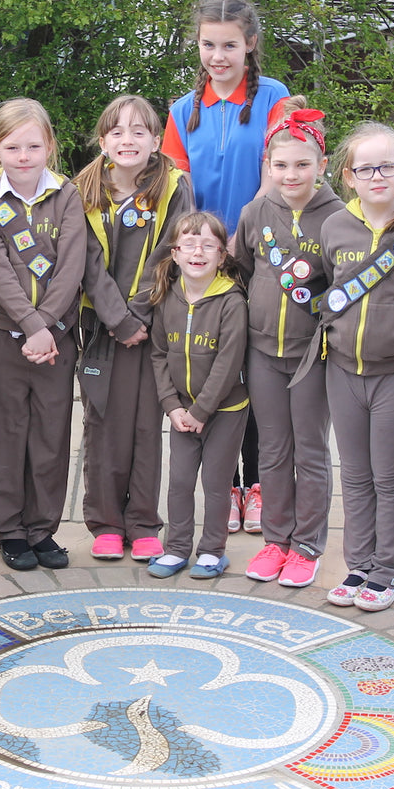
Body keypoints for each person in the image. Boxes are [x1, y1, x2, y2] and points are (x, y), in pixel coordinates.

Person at [162, 0, 292, 536]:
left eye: (230, 45)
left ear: (251, 44)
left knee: (255, 369)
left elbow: (276, 171)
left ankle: (256, 484)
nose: (219, 56)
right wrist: (201, 247)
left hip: (257, 248)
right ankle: (226, 482)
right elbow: (176, 183)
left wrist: (239, 234)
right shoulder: (180, 110)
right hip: (203, 257)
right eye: (209, 44)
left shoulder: (275, 98)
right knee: (214, 367)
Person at [309, 122, 394, 612]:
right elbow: (328, 285)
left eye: (388, 165)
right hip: (343, 368)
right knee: (355, 473)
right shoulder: (335, 227)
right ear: (348, 176)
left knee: (390, 473)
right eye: (366, 168)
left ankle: (389, 570)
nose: (378, 176)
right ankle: (358, 563)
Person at [74, 94, 193, 563]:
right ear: (103, 140)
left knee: (147, 425)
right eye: (118, 131)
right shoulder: (83, 188)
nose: (128, 139)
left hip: (153, 325)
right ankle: (105, 522)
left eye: (140, 130)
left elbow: (173, 250)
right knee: (103, 425)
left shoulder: (174, 186)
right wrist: (117, 319)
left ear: (155, 139)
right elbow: (84, 261)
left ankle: (143, 522)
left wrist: (139, 315)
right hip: (102, 327)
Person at [232, 98, 344, 589]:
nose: (291, 174)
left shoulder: (340, 217)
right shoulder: (256, 211)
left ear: (322, 165)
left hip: (312, 355)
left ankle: (307, 546)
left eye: (302, 164)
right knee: (273, 450)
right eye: (280, 165)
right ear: (268, 166)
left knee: (311, 451)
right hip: (262, 352)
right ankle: (276, 540)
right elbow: (238, 272)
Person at [0, 98, 87, 571]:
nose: (24, 155)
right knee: (2, 434)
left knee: (49, 433)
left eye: (34, 146)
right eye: (14, 146)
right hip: (4, 334)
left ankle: (42, 528)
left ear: (50, 147)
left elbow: (72, 265)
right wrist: (30, 325)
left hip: (57, 337)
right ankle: (8, 530)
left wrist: (48, 327)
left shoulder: (67, 195)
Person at [146, 212, 249, 580]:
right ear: (175, 253)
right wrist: (172, 407)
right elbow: (158, 354)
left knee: (216, 484)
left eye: (209, 245)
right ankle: (176, 548)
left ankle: (212, 551)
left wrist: (202, 410)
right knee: (180, 482)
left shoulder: (231, 301)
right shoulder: (166, 298)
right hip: (182, 413)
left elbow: (228, 361)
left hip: (224, 410)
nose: (198, 251)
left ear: (222, 255)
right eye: (189, 244)